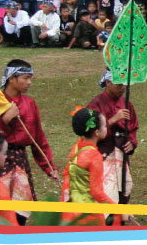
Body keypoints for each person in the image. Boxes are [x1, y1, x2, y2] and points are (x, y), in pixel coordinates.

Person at [0, 59, 58, 224]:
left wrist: (49, 167)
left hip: (20, 161)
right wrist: (4, 121)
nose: (29, 83)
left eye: (30, 79)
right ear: (12, 78)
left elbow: (38, 139)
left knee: (20, 211)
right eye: (25, 78)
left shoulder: (30, 104)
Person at [87, 69, 139, 218]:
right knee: (106, 187)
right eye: (119, 84)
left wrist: (132, 142)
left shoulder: (127, 103)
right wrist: (113, 120)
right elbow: (91, 131)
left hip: (120, 152)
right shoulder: (96, 103)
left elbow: (133, 126)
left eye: (125, 85)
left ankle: (119, 219)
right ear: (108, 83)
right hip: (103, 152)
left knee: (124, 186)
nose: (122, 88)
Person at [59, 108, 117, 226]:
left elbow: (67, 178)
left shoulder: (76, 147)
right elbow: (96, 192)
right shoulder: (94, 156)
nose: (106, 128)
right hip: (88, 216)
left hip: (70, 213)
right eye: (104, 126)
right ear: (96, 132)